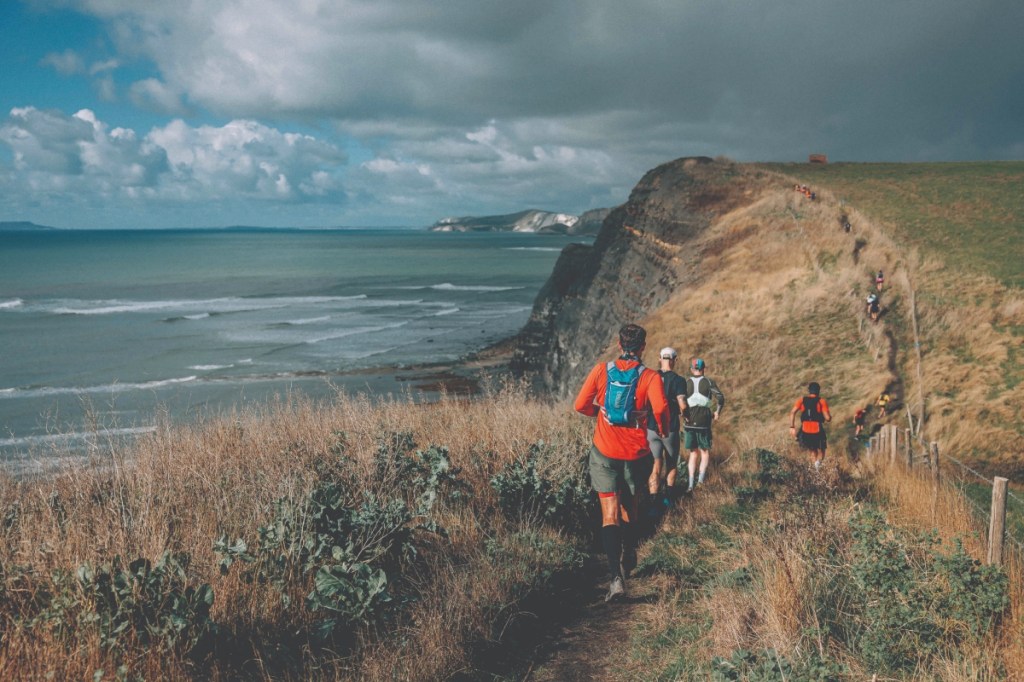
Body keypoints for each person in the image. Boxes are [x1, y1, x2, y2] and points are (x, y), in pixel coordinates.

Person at [575, 323, 669, 602]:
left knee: (609, 514)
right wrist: (661, 430)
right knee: (631, 508)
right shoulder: (650, 377)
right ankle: (629, 549)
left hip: (604, 452)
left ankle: (615, 579)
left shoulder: (601, 371)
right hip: (636, 454)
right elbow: (662, 408)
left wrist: (602, 414)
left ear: (619, 345)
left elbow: (580, 405)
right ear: (642, 347)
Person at [645, 347, 687, 514]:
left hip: (651, 427)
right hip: (670, 428)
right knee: (671, 463)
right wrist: (687, 415)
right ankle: (668, 500)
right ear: (675, 360)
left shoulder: (650, 377)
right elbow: (682, 403)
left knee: (655, 466)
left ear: (659, 358)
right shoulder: (678, 380)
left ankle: (653, 502)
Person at [681, 357, 725, 492]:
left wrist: (683, 414)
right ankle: (700, 481)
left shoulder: (686, 382)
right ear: (703, 369)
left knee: (693, 453)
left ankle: (690, 484)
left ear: (691, 369)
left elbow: (680, 400)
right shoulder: (708, 381)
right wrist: (717, 412)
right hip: (704, 422)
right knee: (704, 452)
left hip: (689, 422)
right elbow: (720, 397)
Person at [790, 382, 832, 469]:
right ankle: (818, 464)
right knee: (822, 450)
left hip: (805, 430)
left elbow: (792, 412)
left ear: (809, 391)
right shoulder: (821, 401)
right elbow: (827, 418)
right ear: (818, 391)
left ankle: (814, 468)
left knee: (812, 450)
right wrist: (829, 416)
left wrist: (792, 426)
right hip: (817, 429)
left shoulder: (802, 400)